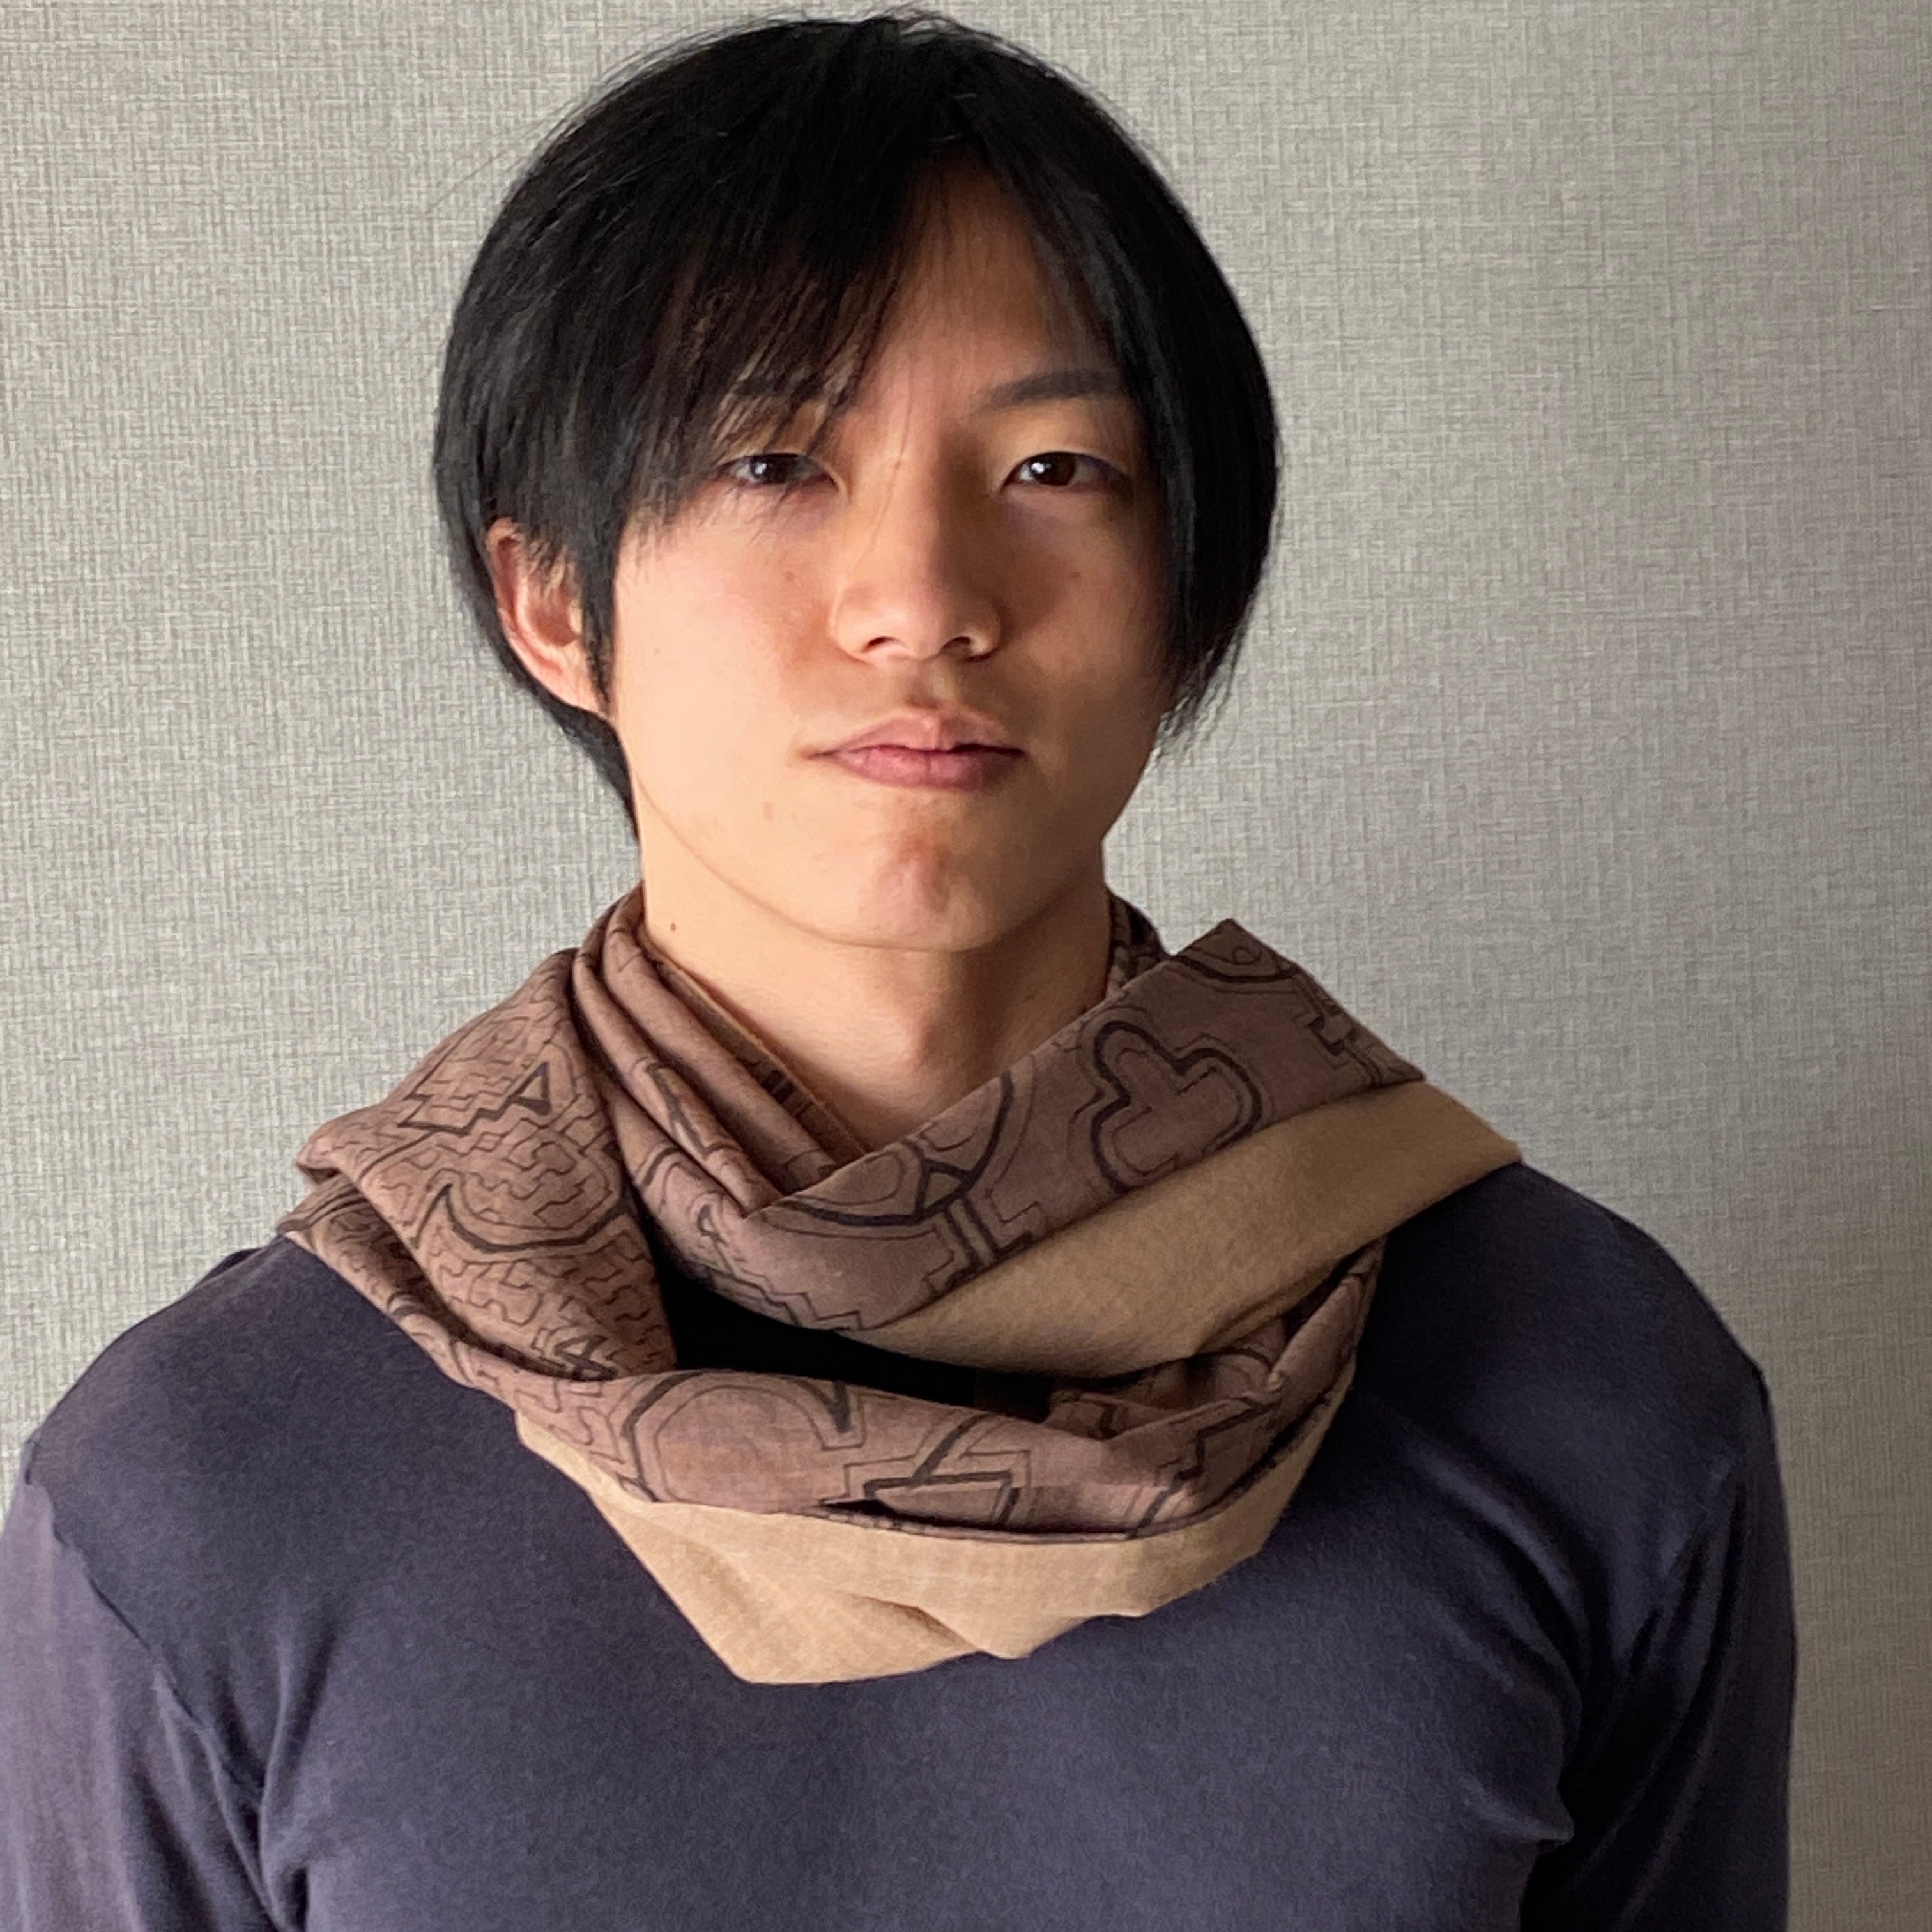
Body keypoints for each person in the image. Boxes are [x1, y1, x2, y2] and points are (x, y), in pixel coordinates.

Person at [0, 12, 1795, 1929]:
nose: (925, 599)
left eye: (1056, 467)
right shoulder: (214, 1480)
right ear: (554, 600)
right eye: (776, 461)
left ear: (1189, 592)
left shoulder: (1583, 1388)